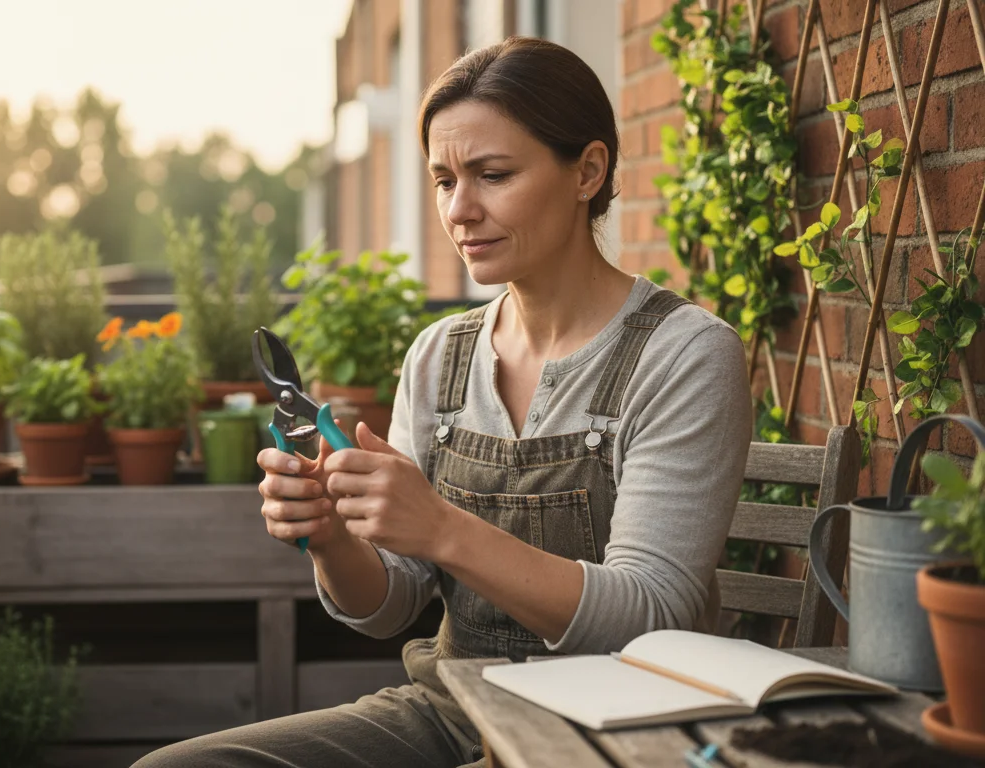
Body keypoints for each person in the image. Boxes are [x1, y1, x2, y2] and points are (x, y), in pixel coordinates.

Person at [134, 35, 751, 768]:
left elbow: (650, 615)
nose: (459, 210)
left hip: (616, 731)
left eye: (492, 175)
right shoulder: (440, 355)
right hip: (453, 707)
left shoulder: (684, 354)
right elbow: (390, 606)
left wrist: (441, 527)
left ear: (588, 170)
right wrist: (333, 536)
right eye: (443, 180)